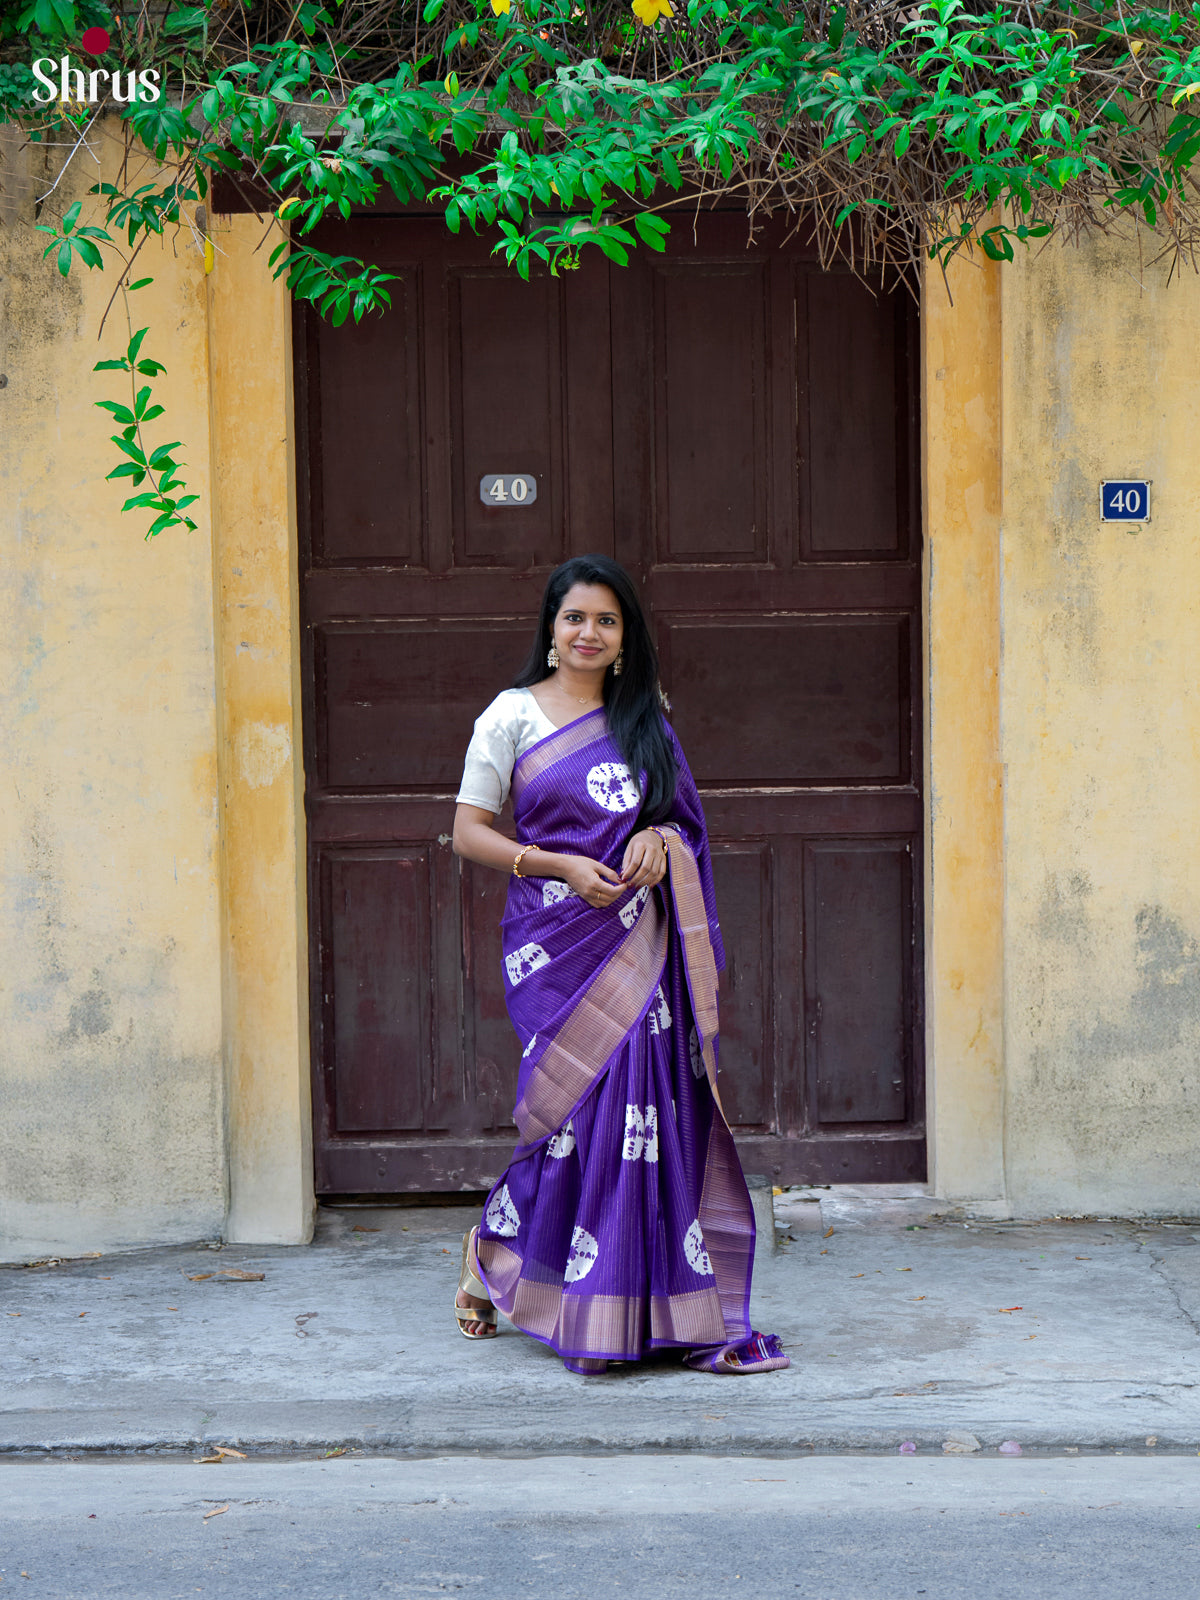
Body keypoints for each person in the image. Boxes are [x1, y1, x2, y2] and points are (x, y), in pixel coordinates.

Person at [451, 554, 788, 1377]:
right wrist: (558, 866)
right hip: (558, 948)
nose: (589, 633)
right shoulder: (512, 716)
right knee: (567, 1118)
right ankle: (493, 1247)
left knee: (641, 1118)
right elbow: (468, 830)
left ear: (626, 637)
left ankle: (639, 1307)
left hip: (643, 947)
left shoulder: (646, 720)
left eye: (607, 620)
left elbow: (680, 825)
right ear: (552, 629)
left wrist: (655, 837)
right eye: (575, 619)